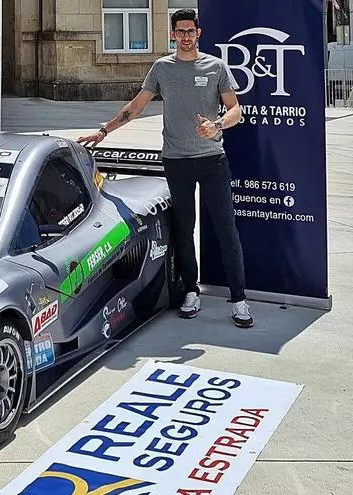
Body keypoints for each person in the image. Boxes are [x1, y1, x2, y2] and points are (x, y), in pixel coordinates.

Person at [76, 8, 253, 328]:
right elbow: (135, 106)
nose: (185, 36)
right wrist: (103, 132)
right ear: (172, 34)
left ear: (199, 33)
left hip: (212, 160)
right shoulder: (161, 68)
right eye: (180, 31)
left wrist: (217, 125)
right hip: (176, 161)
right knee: (183, 231)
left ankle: (239, 299)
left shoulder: (216, 66)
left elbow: (235, 109)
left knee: (226, 230)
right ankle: (191, 291)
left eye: (190, 31)